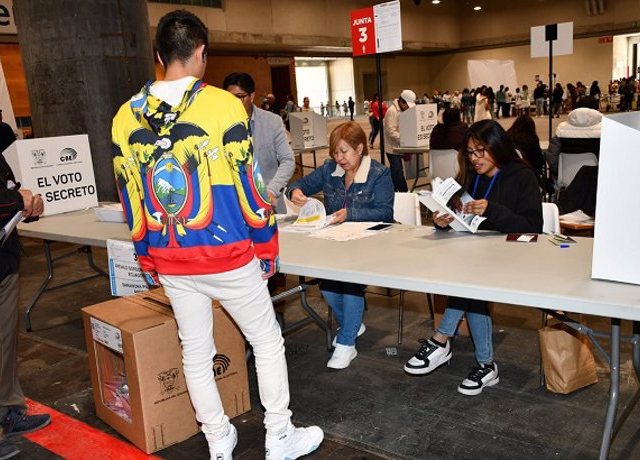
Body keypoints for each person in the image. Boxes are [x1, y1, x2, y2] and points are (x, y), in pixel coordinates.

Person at [111, 11, 323, 460]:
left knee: (195, 352)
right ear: (201, 53)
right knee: (266, 342)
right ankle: (279, 436)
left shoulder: (124, 117)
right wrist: (266, 247)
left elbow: (131, 198)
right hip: (228, 253)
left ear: (158, 56)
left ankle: (218, 440)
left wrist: (147, 257)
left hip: (169, 255)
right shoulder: (224, 106)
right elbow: (249, 188)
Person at [404, 119, 542, 395]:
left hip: (515, 256)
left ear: (497, 146)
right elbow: (459, 216)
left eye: (481, 151)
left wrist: (492, 209)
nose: (475, 158)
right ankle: (485, 364)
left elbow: (533, 228)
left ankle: (441, 339)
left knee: (468, 281)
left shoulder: (521, 176)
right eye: (470, 152)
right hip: (476, 255)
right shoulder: (471, 175)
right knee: (469, 280)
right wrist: (442, 221)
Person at [286, 121, 394, 369]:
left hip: (370, 243)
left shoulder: (379, 173)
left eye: (344, 152)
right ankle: (352, 325)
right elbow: (299, 185)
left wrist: (350, 213)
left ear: (360, 148)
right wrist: (295, 192)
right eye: (335, 152)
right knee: (327, 288)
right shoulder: (329, 171)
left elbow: (386, 213)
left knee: (350, 285)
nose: (339, 158)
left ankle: (346, 343)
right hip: (336, 243)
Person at [0, 145, 50, 460]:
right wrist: (19, 200)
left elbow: (8, 192)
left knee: (5, 345)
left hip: (4, 260)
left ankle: (8, 411)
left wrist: (29, 206)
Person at [223, 72, 295, 214]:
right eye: (228, 98)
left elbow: (287, 160)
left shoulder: (272, 122)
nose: (233, 104)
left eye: (239, 97)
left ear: (252, 96)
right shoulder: (219, 126)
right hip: (234, 209)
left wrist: (271, 190)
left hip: (269, 205)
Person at [384, 89, 416, 192]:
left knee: (396, 171)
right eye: (407, 105)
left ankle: (393, 193)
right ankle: (404, 192)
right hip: (392, 147)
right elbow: (391, 132)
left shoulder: (402, 110)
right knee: (397, 171)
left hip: (400, 145)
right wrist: (405, 140)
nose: (408, 108)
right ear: (402, 102)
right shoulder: (392, 111)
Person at [506, 115, 544, 180]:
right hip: (528, 172)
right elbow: (538, 160)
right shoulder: (532, 139)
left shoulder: (507, 136)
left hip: (509, 172)